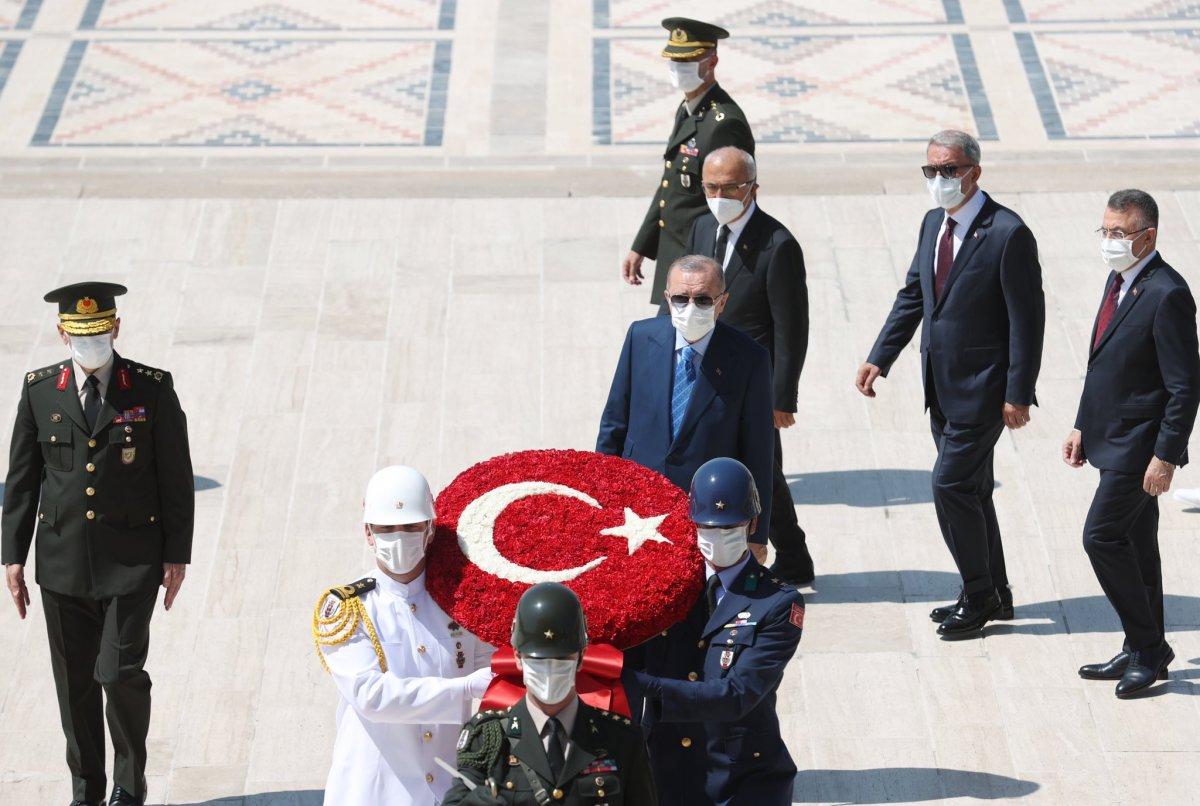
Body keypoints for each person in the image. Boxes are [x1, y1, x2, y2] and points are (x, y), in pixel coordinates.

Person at [2, 282, 194, 806]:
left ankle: (128, 787)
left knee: (119, 672)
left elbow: (176, 478)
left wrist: (177, 554)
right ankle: (85, 790)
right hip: (62, 565)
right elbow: (21, 479)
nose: (91, 343)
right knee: (75, 684)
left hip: (132, 562)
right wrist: (12, 556)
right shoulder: (40, 389)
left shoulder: (151, 388)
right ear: (62, 332)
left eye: (100, 332)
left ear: (116, 327)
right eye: (80, 335)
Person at [854, 130, 1045, 639]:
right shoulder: (931, 223)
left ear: (974, 172)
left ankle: (978, 595)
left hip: (985, 390)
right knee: (974, 490)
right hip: (939, 385)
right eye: (931, 171)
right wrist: (881, 355)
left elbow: (1027, 320)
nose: (939, 180)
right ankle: (995, 591)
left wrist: (1018, 393)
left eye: (949, 170)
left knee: (950, 486)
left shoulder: (1007, 233)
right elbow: (914, 294)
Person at [1064, 190, 1199, 698]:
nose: (1109, 241)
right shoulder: (1121, 279)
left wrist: (1165, 457)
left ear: (1149, 236)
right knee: (1140, 547)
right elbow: (1103, 363)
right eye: (1106, 231)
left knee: (1100, 537)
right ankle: (1143, 645)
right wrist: (1082, 425)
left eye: (1119, 233)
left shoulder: (1168, 293)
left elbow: (1185, 387)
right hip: (1111, 438)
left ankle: (1149, 647)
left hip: (1141, 450)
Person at [623, 458, 804, 806]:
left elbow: (737, 694)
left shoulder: (778, 603)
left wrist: (641, 686)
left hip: (742, 781)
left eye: (728, 528)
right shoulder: (664, 587)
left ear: (752, 524)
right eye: (707, 528)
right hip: (666, 771)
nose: (716, 538)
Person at [314, 465, 495, 804]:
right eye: (386, 528)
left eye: (410, 526)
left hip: (450, 787)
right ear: (368, 533)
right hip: (376, 790)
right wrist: (464, 688)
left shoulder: (462, 602)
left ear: (429, 529)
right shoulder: (347, 610)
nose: (399, 537)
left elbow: (492, 672)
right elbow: (372, 696)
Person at [686, 145, 813, 584]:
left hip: (754, 381)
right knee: (763, 473)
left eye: (729, 187)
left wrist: (783, 397)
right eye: (711, 186)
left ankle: (788, 555)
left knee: (765, 471)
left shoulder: (778, 245)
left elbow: (791, 328)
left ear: (752, 188)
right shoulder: (702, 228)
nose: (719, 195)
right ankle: (793, 557)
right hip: (707, 374)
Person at [598, 254, 774, 555]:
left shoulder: (749, 359)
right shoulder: (640, 338)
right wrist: (600, 494)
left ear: (722, 302)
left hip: (709, 509)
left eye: (703, 300)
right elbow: (615, 422)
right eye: (681, 298)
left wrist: (758, 532)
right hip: (637, 503)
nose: (690, 308)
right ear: (667, 299)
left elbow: (758, 451)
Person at [443, 583, 657, 805]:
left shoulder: (621, 738)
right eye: (538, 660)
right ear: (517, 656)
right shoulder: (489, 739)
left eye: (562, 659)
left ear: (582, 657)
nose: (549, 670)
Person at [621, 17, 755, 309]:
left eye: (689, 60)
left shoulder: (723, 124)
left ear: (711, 62)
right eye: (674, 60)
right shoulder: (689, 110)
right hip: (676, 256)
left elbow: (732, 204)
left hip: (698, 267)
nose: (678, 68)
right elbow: (671, 185)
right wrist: (641, 244)